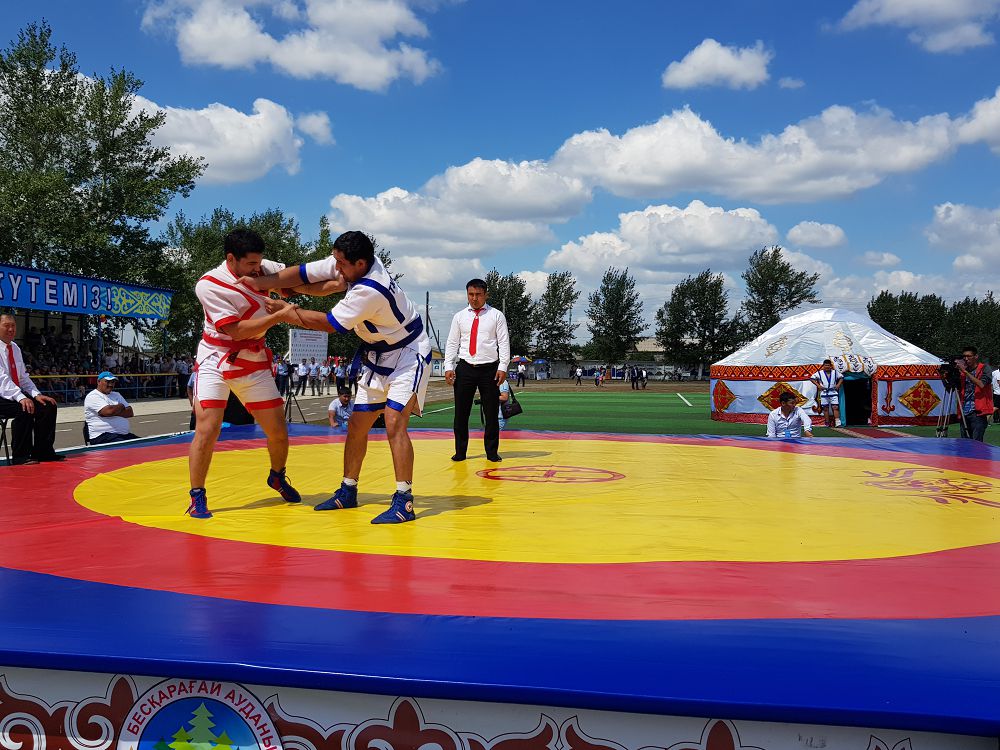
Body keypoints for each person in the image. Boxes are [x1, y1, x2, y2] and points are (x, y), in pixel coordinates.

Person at [245, 230, 430, 524]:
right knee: (357, 424)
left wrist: (287, 312)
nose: (337, 266)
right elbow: (306, 274)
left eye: (342, 263)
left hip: (408, 353)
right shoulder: (356, 264)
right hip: (379, 352)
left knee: (394, 423)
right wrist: (265, 283)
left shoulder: (369, 289)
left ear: (359, 264)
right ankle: (348, 490)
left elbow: (330, 324)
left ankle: (404, 500)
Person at [186, 228, 307, 519]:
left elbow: (295, 278)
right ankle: (197, 494)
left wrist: (331, 279)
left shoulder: (262, 268)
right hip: (218, 358)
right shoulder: (210, 285)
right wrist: (279, 315)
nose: (257, 269)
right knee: (208, 428)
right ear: (231, 259)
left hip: (253, 358)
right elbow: (236, 331)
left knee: (278, 431)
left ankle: (277, 476)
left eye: (259, 262)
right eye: (251, 264)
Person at [444, 278, 511, 463]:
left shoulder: (496, 315)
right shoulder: (459, 317)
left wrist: (503, 366)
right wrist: (448, 366)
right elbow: (452, 342)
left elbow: (504, 342)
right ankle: (460, 451)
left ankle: (492, 452)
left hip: (489, 369)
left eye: (478, 295)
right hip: (465, 367)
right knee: (461, 413)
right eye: (471, 294)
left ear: (486, 295)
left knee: (491, 413)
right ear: (467, 295)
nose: (474, 298)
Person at [0, 313, 64, 464]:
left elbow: (22, 377)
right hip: (2, 394)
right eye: (6, 326)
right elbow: (1, 378)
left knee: (47, 405)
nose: (11, 329)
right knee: (24, 408)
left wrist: (36, 395)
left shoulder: (15, 348)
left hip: (12, 393)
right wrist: (21, 397)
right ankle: (21, 456)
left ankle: (43, 451)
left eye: (13, 326)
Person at [84, 372, 140, 444]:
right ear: (98, 382)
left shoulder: (116, 394)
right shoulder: (93, 396)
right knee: (130, 447)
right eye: (107, 381)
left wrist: (112, 411)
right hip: (102, 437)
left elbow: (130, 412)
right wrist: (121, 406)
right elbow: (109, 412)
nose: (110, 384)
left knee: (146, 444)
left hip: (123, 435)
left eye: (113, 382)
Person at [956, 346, 993, 442]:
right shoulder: (962, 371)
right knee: (964, 443)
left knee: (976, 443)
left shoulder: (984, 368)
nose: (966, 358)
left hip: (978, 412)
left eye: (969, 356)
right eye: (964, 356)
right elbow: (953, 389)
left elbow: (981, 384)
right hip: (964, 410)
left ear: (976, 356)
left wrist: (965, 372)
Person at [810, 359, 844, 427]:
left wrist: (838, 385)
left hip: (833, 392)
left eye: (828, 365)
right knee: (825, 408)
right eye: (825, 365)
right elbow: (812, 378)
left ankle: (838, 422)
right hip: (824, 393)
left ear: (831, 366)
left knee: (835, 407)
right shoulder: (819, 373)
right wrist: (818, 385)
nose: (827, 367)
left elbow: (841, 377)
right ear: (823, 366)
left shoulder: (835, 372)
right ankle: (827, 423)